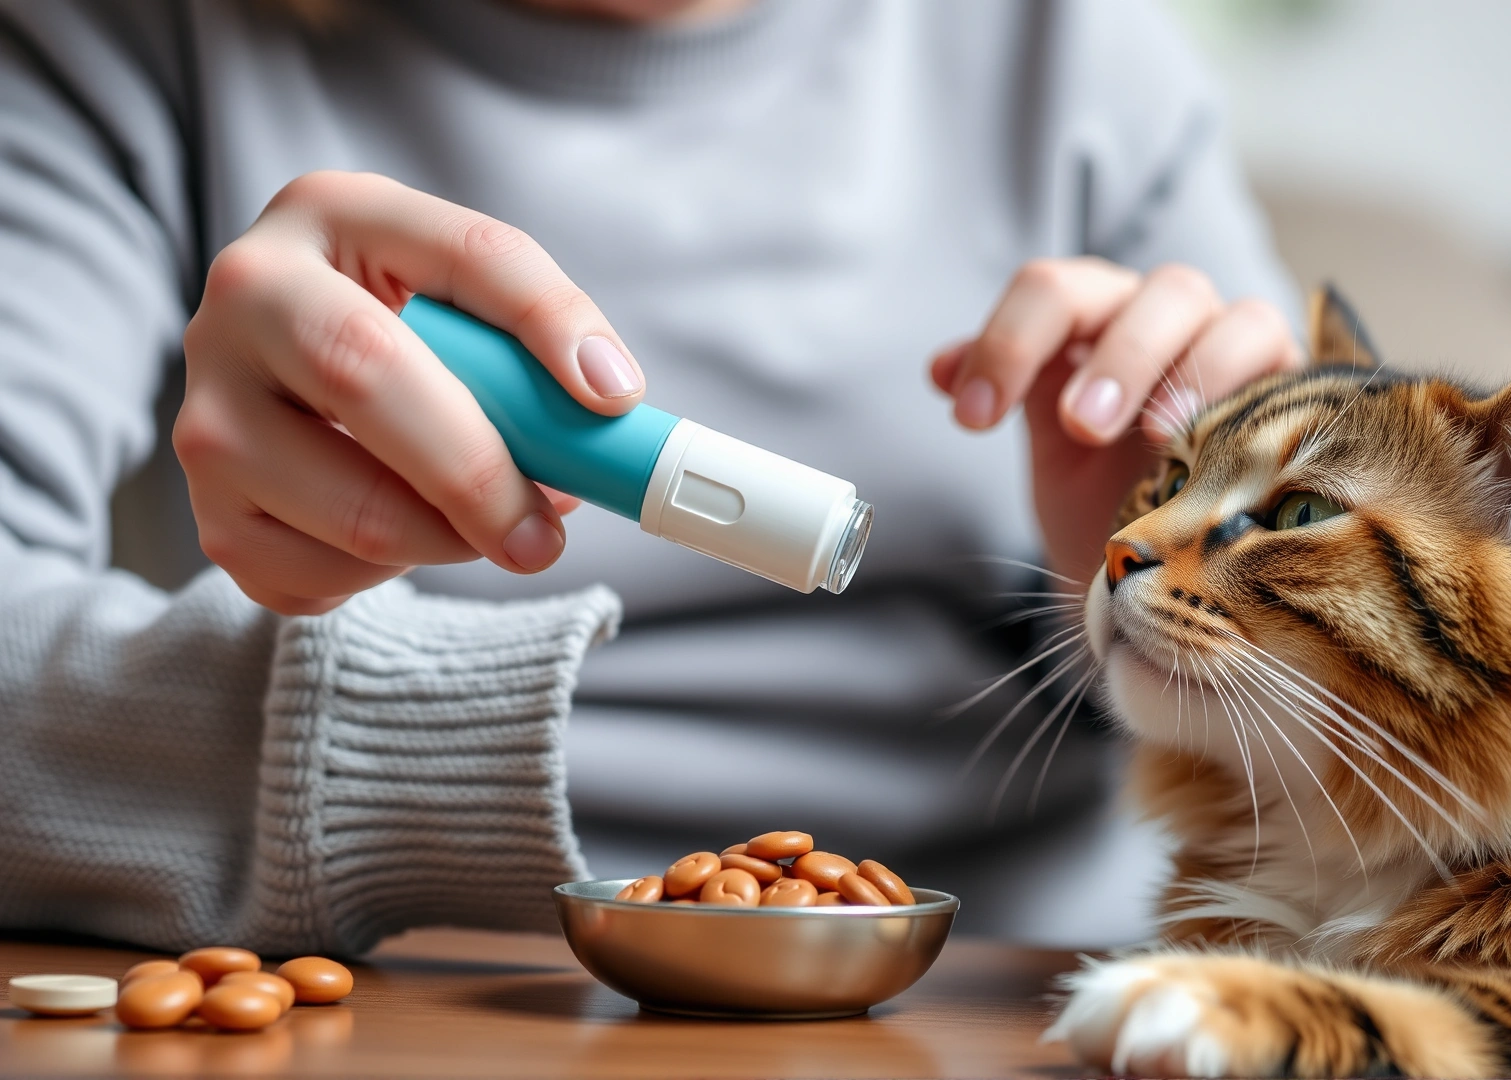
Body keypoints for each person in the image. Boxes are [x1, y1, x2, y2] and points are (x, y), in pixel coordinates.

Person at [0, 0, 1301, 954]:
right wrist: (373, 749)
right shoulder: (121, 40)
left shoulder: (1075, 49)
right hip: (414, 999)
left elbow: (1381, 757)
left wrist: (1150, 609)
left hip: (1023, 999)